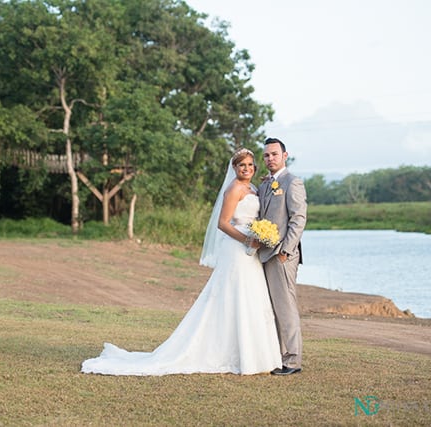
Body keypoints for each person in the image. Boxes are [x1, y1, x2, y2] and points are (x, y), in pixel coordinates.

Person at [81, 148, 282, 375]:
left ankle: (254, 354)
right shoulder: (233, 189)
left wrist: (258, 236)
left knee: (249, 295)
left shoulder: (253, 187)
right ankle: (229, 353)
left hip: (250, 249)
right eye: (241, 165)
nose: (246, 169)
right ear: (234, 168)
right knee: (234, 294)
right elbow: (223, 223)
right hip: (237, 248)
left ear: (255, 167)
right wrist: (247, 239)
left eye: (250, 165)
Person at [258, 137, 307, 376]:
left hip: (282, 256)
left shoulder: (292, 182)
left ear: (284, 156)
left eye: (274, 154)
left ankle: (292, 360)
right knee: (272, 308)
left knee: (285, 307)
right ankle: (276, 355)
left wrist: (286, 251)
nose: (270, 159)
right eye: (266, 155)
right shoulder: (266, 184)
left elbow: (298, 219)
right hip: (264, 255)